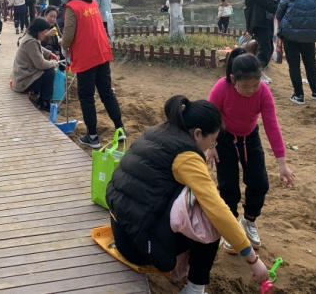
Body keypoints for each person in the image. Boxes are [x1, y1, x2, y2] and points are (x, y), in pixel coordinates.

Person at [106, 95, 269, 294]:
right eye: (212, 142)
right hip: (138, 248)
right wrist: (252, 259)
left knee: (189, 197)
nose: (211, 147)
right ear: (198, 133)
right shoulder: (186, 157)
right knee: (209, 219)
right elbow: (218, 210)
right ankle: (194, 289)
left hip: (120, 230)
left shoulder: (157, 131)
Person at [207, 49, 296, 254]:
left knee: (260, 183)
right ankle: (230, 228)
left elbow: (271, 125)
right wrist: (211, 146)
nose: (251, 91)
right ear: (233, 79)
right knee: (228, 187)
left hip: (250, 138)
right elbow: (209, 117)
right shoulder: (221, 88)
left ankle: (249, 221)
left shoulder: (263, 91)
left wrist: (282, 163)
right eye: (245, 86)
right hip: (225, 139)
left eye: (255, 85)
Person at [55, 0, 125, 148]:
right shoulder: (92, 2)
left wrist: (64, 46)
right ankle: (120, 129)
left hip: (86, 56)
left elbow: (68, 34)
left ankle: (92, 136)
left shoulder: (72, 7)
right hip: (101, 52)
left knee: (86, 96)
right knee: (106, 92)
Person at [275, 0, 316, 104]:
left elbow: (278, 15)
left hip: (290, 36)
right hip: (309, 36)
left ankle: (298, 95)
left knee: (294, 65)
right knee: (310, 63)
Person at [239, 0, 278, 79]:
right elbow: (265, 1)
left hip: (263, 20)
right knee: (265, 49)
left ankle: (257, 73)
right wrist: (278, 8)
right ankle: (254, 75)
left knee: (267, 48)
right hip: (258, 21)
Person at [12, 17, 58, 112]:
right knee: (49, 72)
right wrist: (53, 63)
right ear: (38, 31)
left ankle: (38, 95)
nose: (45, 34)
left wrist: (49, 54)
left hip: (22, 75)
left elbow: (38, 48)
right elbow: (40, 64)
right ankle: (44, 102)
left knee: (47, 70)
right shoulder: (31, 42)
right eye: (45, 32)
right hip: (23, 80)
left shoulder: (29, 37)